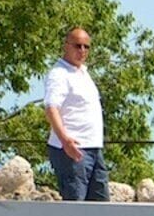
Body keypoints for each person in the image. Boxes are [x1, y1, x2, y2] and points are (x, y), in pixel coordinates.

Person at [41, 27, 107, 201]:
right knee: (76, 204)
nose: (82, 51)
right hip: (72, 150)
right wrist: (65, 141)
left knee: (101, 206)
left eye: (86, 47)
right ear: (66, 46)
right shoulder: (59, 74)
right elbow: (51, 107)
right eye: (78, 46)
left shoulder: (83, 72)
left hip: (93, 147)